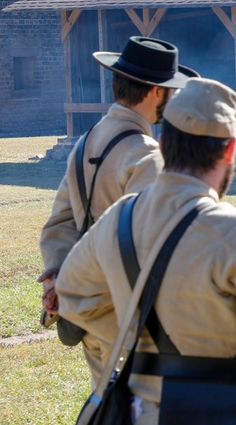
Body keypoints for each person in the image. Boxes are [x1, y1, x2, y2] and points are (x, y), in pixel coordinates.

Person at [56, 78, 236, 425]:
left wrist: (135, 337)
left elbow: (72, 295)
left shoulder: (118, 218)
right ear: (230, 150)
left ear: (162, 144)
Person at [38, 36, 196, 388]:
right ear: (156, 91)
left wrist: (57, 274)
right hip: (131, 321)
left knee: (110, 418)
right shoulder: (147, 156)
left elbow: (61, 224)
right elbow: (151, 247)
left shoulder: (86, 141)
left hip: (90, 310)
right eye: (170, 90)